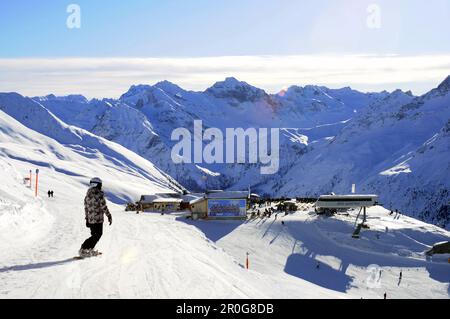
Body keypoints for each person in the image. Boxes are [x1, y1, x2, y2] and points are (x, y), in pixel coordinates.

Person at [79, 177, 112, 257]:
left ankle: (89, 249)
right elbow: (103, 206)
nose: (101, 186)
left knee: (94, 235)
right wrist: (109, 215)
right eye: (100, 185)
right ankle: (84, 248)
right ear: (97, 184)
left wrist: (87, 219)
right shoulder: (99, 194)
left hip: (90, 220)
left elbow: (86, 208)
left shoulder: (87, 194)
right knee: (98, 234)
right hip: (98, 219)